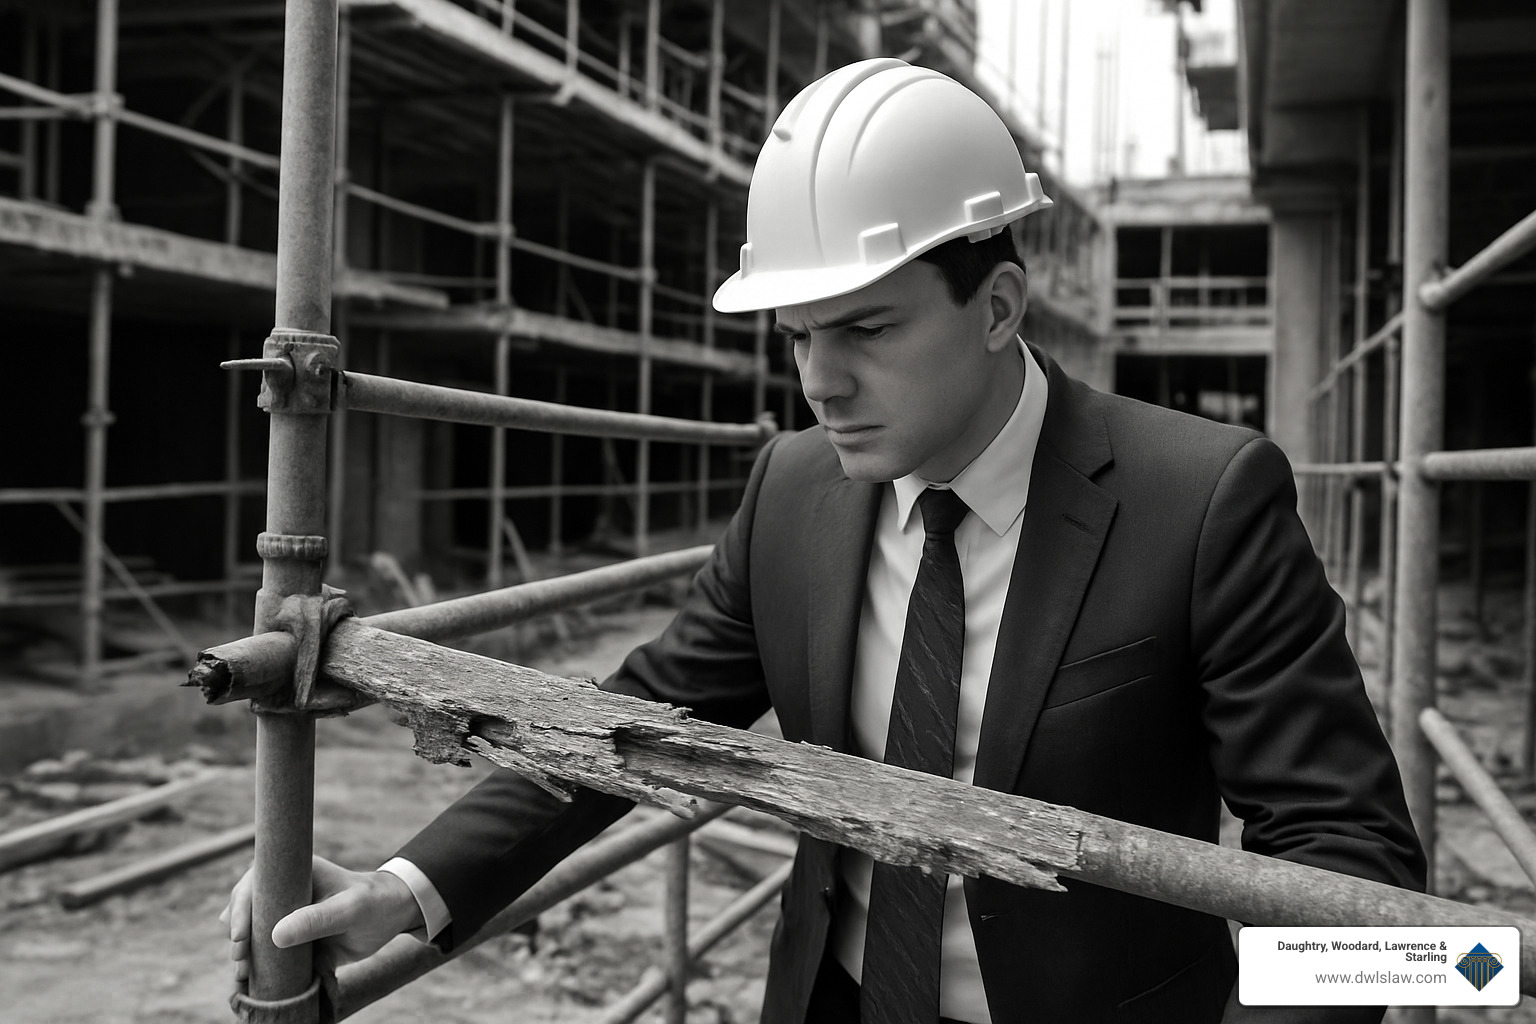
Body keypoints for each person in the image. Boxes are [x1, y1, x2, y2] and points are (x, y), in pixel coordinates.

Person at [225, 58, 1424, 1023]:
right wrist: (410, 886)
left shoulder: (1203, 498)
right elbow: (636, 715)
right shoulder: (794, 489)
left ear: (999, 308)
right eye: (796, 335)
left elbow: (1353, 856)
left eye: (864, 329)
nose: (820, 382)